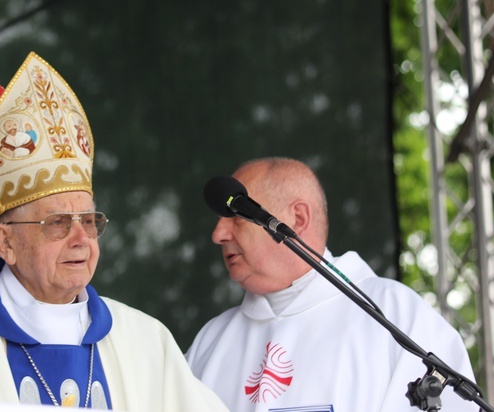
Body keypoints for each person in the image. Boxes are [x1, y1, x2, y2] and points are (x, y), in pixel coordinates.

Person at [0, 52, 228, 411]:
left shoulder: (145, 340)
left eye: (89, 221)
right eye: (58, 223)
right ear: (6, 242)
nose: (81, 239)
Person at [185, 157, 481, 411]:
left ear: (297, 218)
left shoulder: (398, 319)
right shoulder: (211, 342)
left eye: (236, 216)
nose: (218, 234)